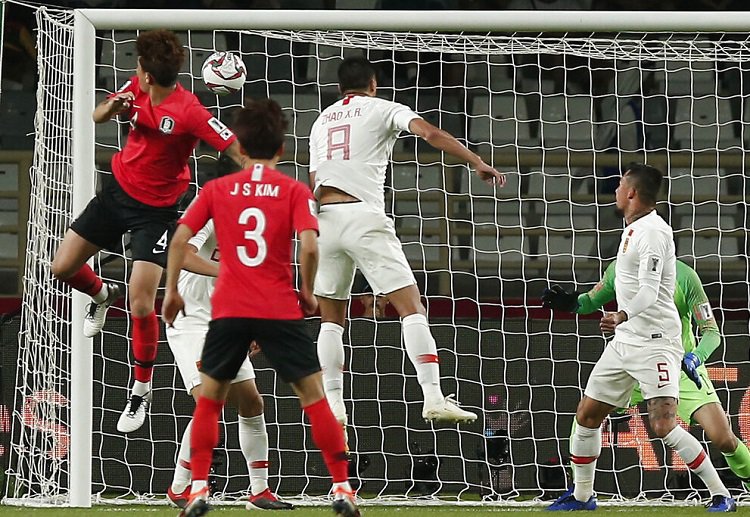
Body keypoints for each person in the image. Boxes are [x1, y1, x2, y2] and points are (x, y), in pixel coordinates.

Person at [162, 99, 358, 517]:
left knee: (240, 402)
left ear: (241, 148)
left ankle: (232, 488)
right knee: (313, 397)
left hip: (227, 310)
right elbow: (307, 245)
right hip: (242, 310)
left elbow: (178, 241)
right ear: (282, 149)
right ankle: (341, 486)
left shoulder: (218, 193)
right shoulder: (292, 191)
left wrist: (170, 293)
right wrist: (307, 292)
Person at [50, 29, 242, 434]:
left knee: (141, 303)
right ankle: (102, 294)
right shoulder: (136, 87)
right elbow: (97, 115)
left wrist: (263, 178)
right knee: (62, 267)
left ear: (148, 73)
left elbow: (233, 146)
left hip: (155, 213)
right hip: (116, 192)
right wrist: (113, 107)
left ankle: (140, 389)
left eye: (138, 66)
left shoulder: (189, 110)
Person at [308, 56, 506, 432]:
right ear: (373, 85)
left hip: (324, 219)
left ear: (339, 88)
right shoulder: (384, 107)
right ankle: (433, 396)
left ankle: (333, 405)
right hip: (363, 214)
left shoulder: (321, 121)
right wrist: (476, 161)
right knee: (410, 305)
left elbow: (314, 177)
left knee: (331, 318)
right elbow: (430, 134)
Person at [544, 164, 736, 512]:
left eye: (619, 184)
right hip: (625, 342)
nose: (615, 189)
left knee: (663, 426)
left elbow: (648, 292)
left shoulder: (653, 233)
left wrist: (620, 315)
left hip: (656, 343)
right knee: (587, 415)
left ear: (631, 192)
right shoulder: (632, 231)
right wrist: (572, 302)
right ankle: (584, 497)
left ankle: (721, 494)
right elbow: (604, 291)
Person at [543, 259, 750, 494]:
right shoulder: (618, 268)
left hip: (679, 366)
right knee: (587, 413)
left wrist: (695, 357)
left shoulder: (685, 276)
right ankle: (579, 489)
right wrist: (571, 303)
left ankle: (746, 479)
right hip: (633, 363)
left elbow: (712, 332)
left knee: (723, 439)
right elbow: (591, 301)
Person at [164, 218, 293, 510]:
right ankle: (181, 487)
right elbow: (182, 254)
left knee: (251, 403)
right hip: (191, 321)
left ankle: (260, 491)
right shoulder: (211, 215)